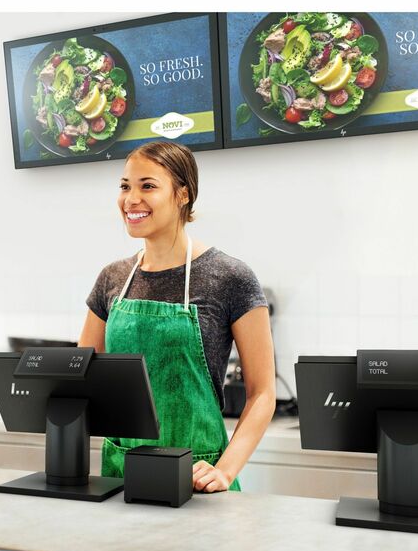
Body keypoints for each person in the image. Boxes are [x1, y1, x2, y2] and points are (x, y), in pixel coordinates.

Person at [78, 141, 275, 492]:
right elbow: (82, 375)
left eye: (147, 186)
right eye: (125, 186)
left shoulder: (230, 277)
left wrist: (224, 471)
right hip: (121, 474)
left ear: (183, 194)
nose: (131, 199)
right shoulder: (112, 278)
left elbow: (262, 393)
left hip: (197, 478)